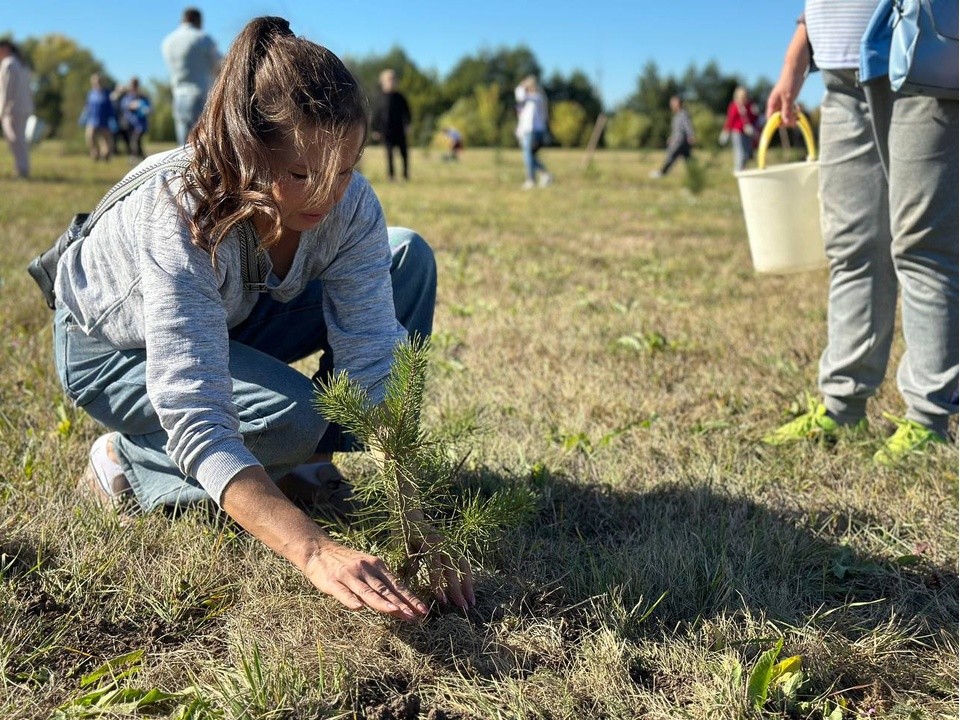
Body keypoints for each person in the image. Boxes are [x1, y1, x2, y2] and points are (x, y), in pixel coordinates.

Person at [53, 17, 473, 618]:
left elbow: (376, 362)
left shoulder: (346, 203)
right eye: (301, 174)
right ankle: (130, 462)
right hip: (109, 347)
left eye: (347, 168)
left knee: (405, 255)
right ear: (247, 150)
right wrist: (312, 550)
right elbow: (197, 408)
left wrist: (419, 523)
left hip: (228, 313)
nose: (328, 196)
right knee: (296, 414)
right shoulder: (184, 209)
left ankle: (303, 461)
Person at [762, 3, 958, 464]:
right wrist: (800, 45)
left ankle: (929, 420)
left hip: (924, 52)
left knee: (923, 245)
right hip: (839, 64)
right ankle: (842, 407)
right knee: (853, 244)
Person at [161, 7, 221, 145]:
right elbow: (219, 66)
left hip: (178, 95)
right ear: (197, 19)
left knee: (182, 147)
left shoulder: (168, 41)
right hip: (200, 95)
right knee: (203, 144)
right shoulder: (202, 39)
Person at [0, 39, 35, 178]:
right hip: (24, 107)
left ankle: (22, 169)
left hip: (12, 109)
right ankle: (22, 168)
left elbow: (5, 90)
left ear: (6, 48)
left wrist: (2, 110)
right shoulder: (22, 64)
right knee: (19, 139)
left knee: (15, 140)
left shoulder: (8, 64)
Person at [371, 69, 411, 181]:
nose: (391, 82)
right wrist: (375, 130)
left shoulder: (400, 97)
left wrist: (408, 124)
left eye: (393, 80)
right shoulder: (379, 98)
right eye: (389, 80)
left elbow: (407, 112)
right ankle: (391, 176)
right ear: (383, 82)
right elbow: (375, 115)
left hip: (399, 129)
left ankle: (405, 175)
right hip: (386, 130)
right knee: (389, 154)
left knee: (404, 153)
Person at [514, 75, 552, 189]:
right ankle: (545, 175)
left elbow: (519, 93)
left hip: (533, 132)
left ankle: (531, 180)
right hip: (527, 131)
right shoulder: (529, 100)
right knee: (530, 156)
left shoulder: (537, 98)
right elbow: (522, 116)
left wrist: (523, 85)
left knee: (528, 156)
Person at [650, 95, 695, 178]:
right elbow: (677, 129)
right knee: (688, 159)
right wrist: (672, 137)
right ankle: (695, 174)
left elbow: (688, 125)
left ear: (678, 104)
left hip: (680, 141)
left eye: (672, 103)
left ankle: (661, 173)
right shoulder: (677, 115)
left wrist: (690, 135)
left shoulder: (683, 114)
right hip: (679, 140)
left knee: (671, 156)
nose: (671, 105)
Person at [720, 85, 758, 173]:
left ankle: (743, 168)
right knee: (740, 152)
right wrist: (726, 131)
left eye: (745, 96)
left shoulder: (750, 105)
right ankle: (738, 170)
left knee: (748, 153)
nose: (743, 99)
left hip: (748, 133)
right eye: (741, 97)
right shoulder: (734, 106)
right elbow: (730, 119)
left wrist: (753, 126)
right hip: (737, 132)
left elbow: (753, 118)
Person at [79, 73, 115, 162]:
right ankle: (95, 153)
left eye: (98, 81)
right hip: (92, 120)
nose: (97, 83)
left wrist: (112, 119)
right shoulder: (91, 93)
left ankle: (106, 157)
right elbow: (88, 106)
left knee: (106, 142)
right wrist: (83, 116)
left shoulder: (107, 93)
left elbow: (111, 107)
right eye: (95, 81)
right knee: (90, 138)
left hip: (104, 121)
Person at [119, 77, 151, 161]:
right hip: (129, 123)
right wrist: (131, 105)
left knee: (136, 140)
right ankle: (144, 158)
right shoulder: (127, 96)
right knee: (135, 142)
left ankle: (133, 157)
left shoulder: (143, 97)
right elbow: (123, 106)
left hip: (140, 124)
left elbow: (149, 109)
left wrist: (145, 109)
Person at [110, 84, 132, 157]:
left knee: (126, 138)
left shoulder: (126, 98)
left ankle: (130, 152)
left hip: (123, 121)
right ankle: (114, 153)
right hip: (114, 121)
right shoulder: (113, 97)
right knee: (114, 139)